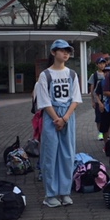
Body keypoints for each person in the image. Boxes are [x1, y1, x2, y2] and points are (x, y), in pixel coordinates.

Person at [35, 39, 82, 207]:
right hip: (51, 116)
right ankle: (50, 194)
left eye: (68, 51)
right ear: (53, 52)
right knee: (50, 154)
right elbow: (44, 100)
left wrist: (65, 118)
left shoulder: (72, 74)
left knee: (67, 155)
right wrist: (57, 118)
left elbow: (76, 99)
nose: (65, 53)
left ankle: (65, 192)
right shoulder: (45, 75)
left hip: (67, 115)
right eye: (62, 50)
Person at [88, 57, 107, 140]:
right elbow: (92, 89)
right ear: (97, 65)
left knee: (107, 118)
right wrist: (92, 101)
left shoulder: (107, 73)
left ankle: (107, 133)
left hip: (107, 99)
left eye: (103, 63)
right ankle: (100, 133)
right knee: (99, 118)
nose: (102, 65)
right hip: (98, 99)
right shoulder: (94, 75)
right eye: (100, 63)